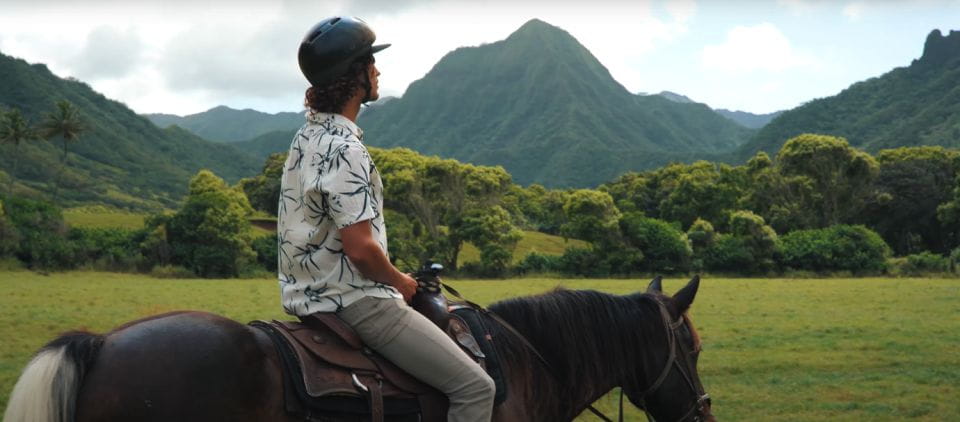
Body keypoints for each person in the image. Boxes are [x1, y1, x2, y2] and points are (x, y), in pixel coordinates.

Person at [277, 16, 495, 422]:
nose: (377, 71)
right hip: (358, 303)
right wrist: (401, 281)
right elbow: (361, 250)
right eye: (370, 63)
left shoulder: (305, 139)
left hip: (308, 298)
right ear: (355, 76)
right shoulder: (347, 149)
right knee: (476, 388)